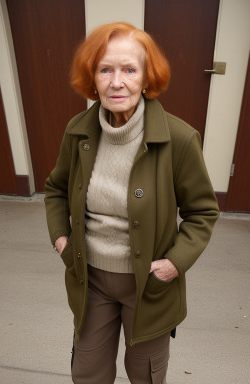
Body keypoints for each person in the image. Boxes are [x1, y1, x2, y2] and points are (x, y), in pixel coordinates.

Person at [44, 22, 219, 384]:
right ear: (92, 77)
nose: (116, 81)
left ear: (146, 77)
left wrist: (174, 264)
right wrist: (61, 239)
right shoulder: (78, 131)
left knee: (146, 375)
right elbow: (55, 189)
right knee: (87, 371)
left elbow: (202, 212)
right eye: (105, 69)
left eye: (129, 69)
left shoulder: (180, 139)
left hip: (150, 285)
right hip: (89, 278)